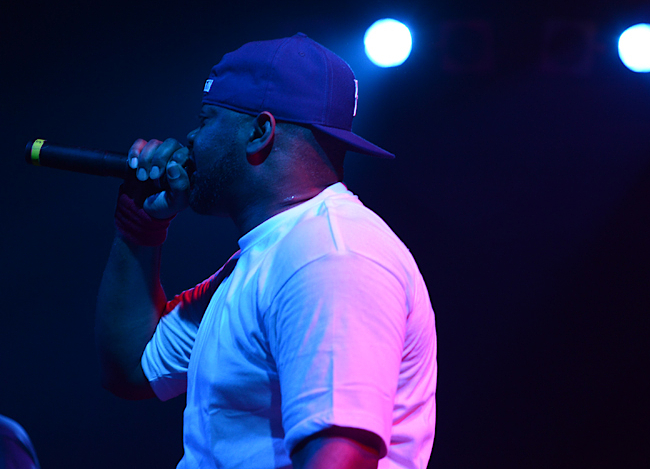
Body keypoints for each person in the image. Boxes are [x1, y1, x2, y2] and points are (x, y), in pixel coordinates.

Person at [95, 33, 437, 469]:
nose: (191, 138)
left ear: (260, 132)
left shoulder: (330, 256)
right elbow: (133, 368)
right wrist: (139, 224)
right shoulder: (269, 258)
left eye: (205, 119)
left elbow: (340, 457)